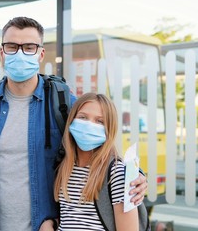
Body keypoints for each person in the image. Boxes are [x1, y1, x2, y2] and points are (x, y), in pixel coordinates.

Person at [0, 16, 147, 231]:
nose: (19, 53)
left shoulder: (62, 102)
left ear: (40, 54)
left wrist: (135, 176)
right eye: (12, 46)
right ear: (2, 53)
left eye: (29, 47)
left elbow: (98, 141)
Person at [54, 93, 139, 230]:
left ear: (109, 129)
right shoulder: (64, 167)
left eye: (100, 121)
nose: (89, 125)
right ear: (71, 120)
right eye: (82, 117)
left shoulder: (117, 173)